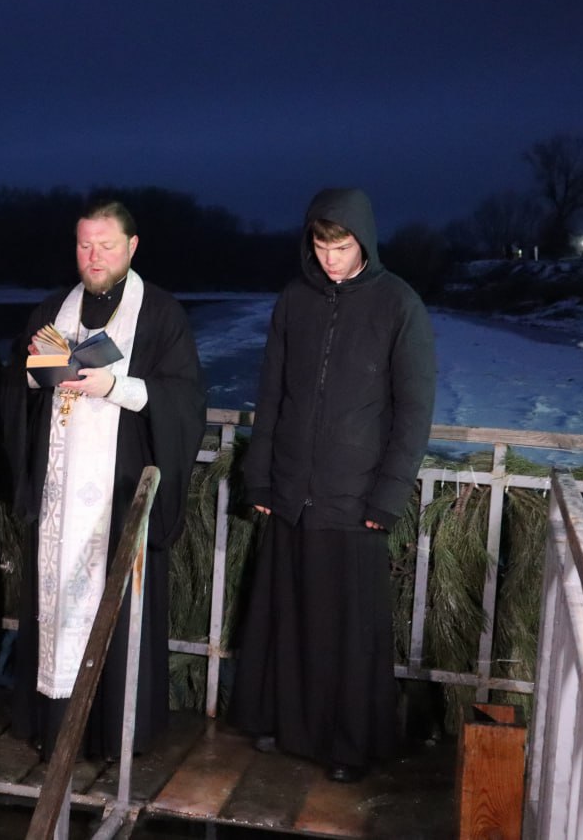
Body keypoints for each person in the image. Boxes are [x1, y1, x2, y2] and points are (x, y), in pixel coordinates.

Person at [230, 188, 436, 783]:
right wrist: (260, 478)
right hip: (290, 492)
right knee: (285, 616)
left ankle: (347, 745)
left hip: (355, 498)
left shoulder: (399, 305)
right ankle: (276, 721)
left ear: (364, 242)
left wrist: (388, 496)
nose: (330, 259)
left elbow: (413, 412)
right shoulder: (294, 300)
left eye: (341, 247)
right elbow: (271, 395)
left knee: (346, 631)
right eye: (321, 247)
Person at [5, 199, 206, 758]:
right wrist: (34, 375)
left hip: (120, 495)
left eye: (106, 245)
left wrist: (114, 387)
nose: (93, 257)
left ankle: (116, 732)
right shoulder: (54, 310)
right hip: (58, 494)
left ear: (132, 246)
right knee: (54, 600)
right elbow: (15, 388)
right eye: (84, 245)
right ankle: (52, 724)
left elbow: (185, 401)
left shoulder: (161, 313)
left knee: (116, 600)